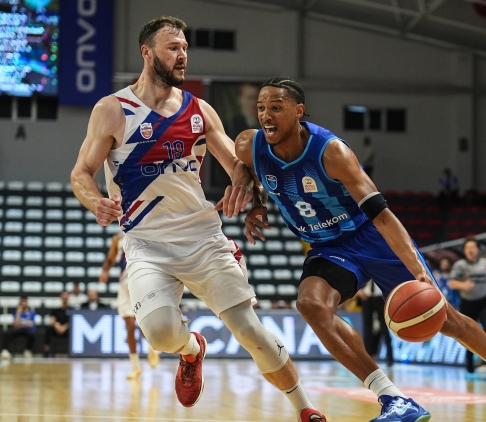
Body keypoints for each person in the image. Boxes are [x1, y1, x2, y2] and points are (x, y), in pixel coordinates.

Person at [235, 77, 486, 422]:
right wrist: (256, 201)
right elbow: (247, 168)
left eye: (276, 107)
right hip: (328, 246)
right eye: (261, 108)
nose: (266, 115)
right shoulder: (250, 145)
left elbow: (382, 216)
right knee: (311, 305)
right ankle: (394, 399)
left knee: (448, 320)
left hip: (371, 236)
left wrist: (419, 271)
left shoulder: (331, 153)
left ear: (298, 111)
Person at [69, 17, 325, 421]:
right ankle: (192, 350)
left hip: (203, 238)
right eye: (173, 47)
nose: (182, 55)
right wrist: (95, 201)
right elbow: (81, 172)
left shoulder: (199, 110)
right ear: (147, 53)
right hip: (147, 244)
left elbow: (237, 163)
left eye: (185, 47)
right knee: (159, 334)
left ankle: (305, 409)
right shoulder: (113, 110)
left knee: (250, 331)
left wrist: (242, 184)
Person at [100, 232, 161, 379]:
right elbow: (111, 258)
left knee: (143, 324)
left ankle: (152, 348)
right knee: (129, 326)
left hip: (141, 282)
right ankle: (135, 366)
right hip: (124, 284)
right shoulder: (118, 238)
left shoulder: (143, 230)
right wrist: (105, 271)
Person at [449, 238, 486, 374]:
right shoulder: (460, 265)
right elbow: (452, 283)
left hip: (483, 302)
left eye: (472, 247)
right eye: (467, 248)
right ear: (464, 251)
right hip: (468, 304)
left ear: (478, 249)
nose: (470, 250)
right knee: (468, 335)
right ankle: (470, 365)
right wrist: (463, 285)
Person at [356, 281, 394, 367]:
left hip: (381, 299)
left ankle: (390, 359)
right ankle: (367, 359)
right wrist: (358, 291)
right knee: (367, 329)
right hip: (367, 298)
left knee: (385, 329)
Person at [43, 291, 70, 357]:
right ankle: (47, 350)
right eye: (63, 296)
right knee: (49, 328)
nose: (65, 297)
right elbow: (52, 320)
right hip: (57, 329)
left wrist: (65, 327)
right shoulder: (56, 310)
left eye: (66, 296)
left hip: (67, 329)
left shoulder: (72, 309)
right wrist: (57, 325)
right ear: (61, 297)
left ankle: (74, 351)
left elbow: (73, 321)